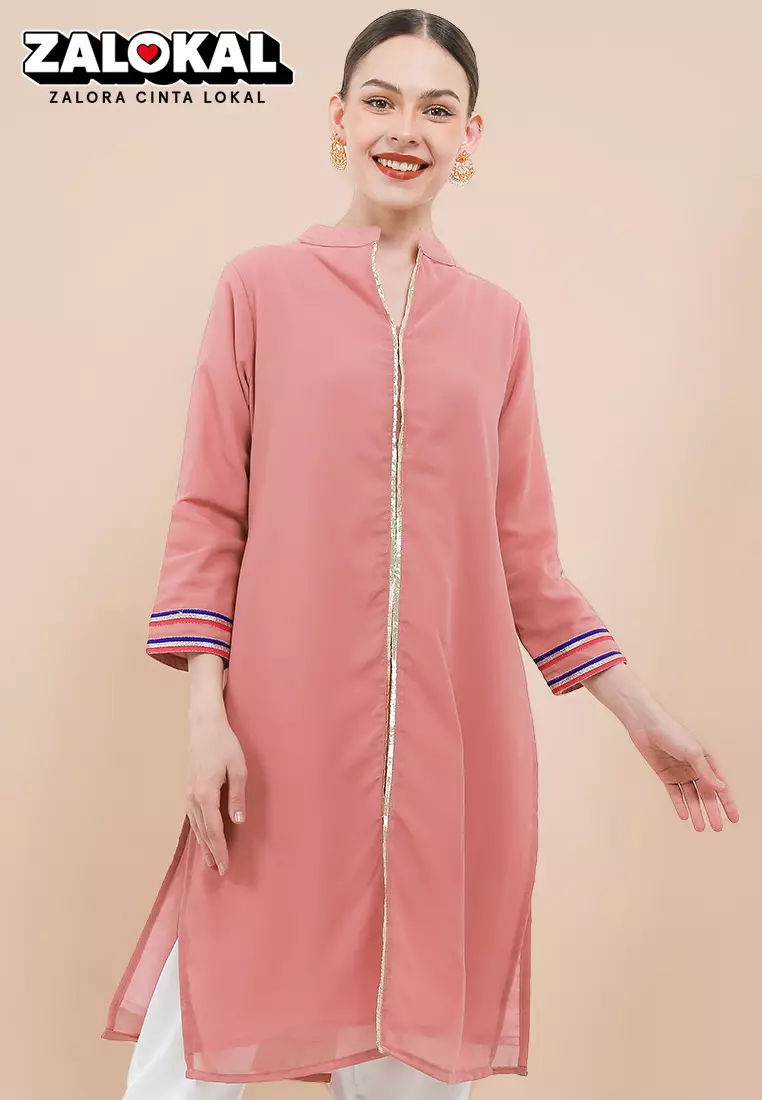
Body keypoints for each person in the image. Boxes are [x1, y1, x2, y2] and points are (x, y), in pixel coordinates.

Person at [101, 9, 739, 1099]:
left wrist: (644, 716)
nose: (407, 129)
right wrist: (207, 710)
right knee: (194, 1042)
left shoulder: (496, 323)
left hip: (452, 751)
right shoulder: (259, 287)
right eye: (383, 101)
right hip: (279, 737)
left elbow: (527, 559)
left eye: (437, 109)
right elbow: (210, 511)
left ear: (469, 136)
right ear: (339, 118)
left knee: (415, 1053)